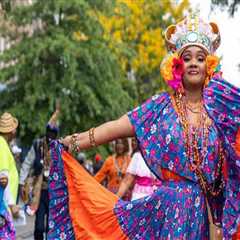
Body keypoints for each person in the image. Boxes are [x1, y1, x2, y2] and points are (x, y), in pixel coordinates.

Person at [49, 13, 240, 240]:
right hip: (166, 211)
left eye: (200, 58)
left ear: (209, 65)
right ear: (176, 65)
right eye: (187, 58)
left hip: (204, 214)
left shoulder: (221, 112)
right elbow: (117, 126)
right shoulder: (161, 107)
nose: (193, 63)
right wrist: (73, 142)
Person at [19, 108, 60, 240]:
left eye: (53, 133)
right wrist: (21, 182)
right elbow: (27, 163)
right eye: (48, 132)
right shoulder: (37, 145)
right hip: (39, 191)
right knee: (39, 227)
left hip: (54, 192)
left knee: (50, 226)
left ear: (56, 134)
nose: (50, 135)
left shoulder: (59, 148)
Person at [0, 113, 20, 227]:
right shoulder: (2, 146)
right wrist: (12, 205)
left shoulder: (3, 145)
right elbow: (3, 176)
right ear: (12, 131)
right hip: (3, 206)